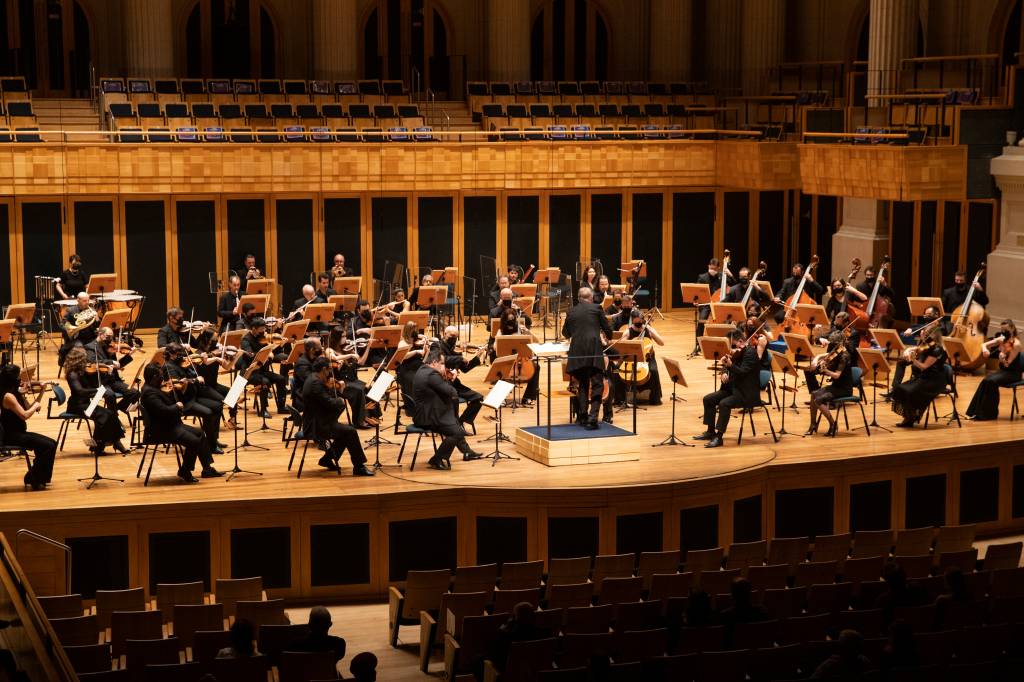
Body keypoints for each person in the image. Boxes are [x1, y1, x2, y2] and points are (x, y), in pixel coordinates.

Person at [138, 364, 221, 482]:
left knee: (200, 433)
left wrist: (171, 393)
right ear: (154, 377)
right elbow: (164, 411)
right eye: (161, 376)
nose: (163, 379)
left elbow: (163, 407)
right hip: (161, 430)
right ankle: (185, 471)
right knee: (194, 442)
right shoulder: (150, 393)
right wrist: (177, 406)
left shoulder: (152, 388)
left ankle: (207, 469)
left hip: (170, 425)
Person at [412, 347, 484, 469]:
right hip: (428, 417)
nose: (444, 366)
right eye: (442, 363)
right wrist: (452, 378)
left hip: (426, 412)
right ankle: (437, 459)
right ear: (434, 363)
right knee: (456, 432)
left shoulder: (422, 369)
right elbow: (452, 392)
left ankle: (467, 452)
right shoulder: (431, 374)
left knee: (454, 423)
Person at [301, 357, 374, 476]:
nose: (330, 373)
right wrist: (340, 396)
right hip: (317, 425)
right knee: (351, 432)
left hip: (318, 419)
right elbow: (329, 403)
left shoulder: (313, 378)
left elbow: (323, 400)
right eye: (329, 369)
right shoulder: (316, 383)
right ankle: (359, 467)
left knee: (345, 432)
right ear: (324, 369)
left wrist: (332, 389)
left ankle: (327, 459)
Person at [695, 328, 767, 448]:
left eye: (732, 345)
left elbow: (743, 372)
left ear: (740, 341)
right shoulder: (737, 353)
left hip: (746, 393)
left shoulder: (750, 353)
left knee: (724, 404)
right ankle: (710, 431)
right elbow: (728, 366)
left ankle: (719, 437)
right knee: (708, 399)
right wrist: (724, 371)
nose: (731, 350)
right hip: (732, 389)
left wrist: (730, 365)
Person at [562, 288, 613, 430]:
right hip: (593, 350)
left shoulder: (571, 311)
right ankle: (592, 418)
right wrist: (608, 336)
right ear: (591, 298)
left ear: (579, 298)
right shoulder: (597, 308)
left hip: (576, 352)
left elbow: (565, 333)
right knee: (597, 384)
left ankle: (583, 415)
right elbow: (607, 329)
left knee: (583, 384)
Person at [0, 364, 56, 490]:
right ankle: (33, 478)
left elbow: (31, 407)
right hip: (12, 435)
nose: (22, 380)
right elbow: (24, 415)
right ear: (13, 379)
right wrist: (35, 406)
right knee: (48, 446)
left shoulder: (15, 392)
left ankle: (37, 477)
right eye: (19, 377)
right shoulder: (8, 396)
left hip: (20, 432)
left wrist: (42, 391)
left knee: (52, 443)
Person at [64, 347, 128, 455]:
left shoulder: (83, 371)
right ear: (79, 360)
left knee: (110, 413)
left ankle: (114, 442)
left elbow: (96, 384)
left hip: (86, 404)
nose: (87, 361)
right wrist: (97, 390)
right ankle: (100, 447)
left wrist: (107, 375)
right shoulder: (72, 374)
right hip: (77, 406)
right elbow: (80, 391)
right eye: (85, 359)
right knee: (103, 416)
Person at [163, 344, 224, 454]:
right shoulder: (168, 367)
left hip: (193, 396)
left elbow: (189, 373)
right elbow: (179, 384)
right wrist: (195, 380)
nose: (182, 357)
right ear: (171, 354)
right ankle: (210, 445)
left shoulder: (181, 362)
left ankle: (213, 439)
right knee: (208, 412)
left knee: (218, 405)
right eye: (178, 354)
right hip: (184, 401)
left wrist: (195, 365)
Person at [890, 326, 948, 428]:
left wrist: (913, 360)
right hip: (924, 377)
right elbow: (917, 349)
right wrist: (909, 351)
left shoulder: (937, 350)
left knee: (909, 391)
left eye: (927, 336)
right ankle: (910, 416)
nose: (925, 338)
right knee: (900, 388)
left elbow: (924, 367)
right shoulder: (928, 346)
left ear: (934, 336)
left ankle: (911, 417)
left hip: (934, 381)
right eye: (924, 335)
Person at [966, 319, 1022, 421]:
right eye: (1002, 330)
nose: (1003, 332)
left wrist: (1002, 358)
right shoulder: (1002, 339)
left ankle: (989, 414)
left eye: (1006, 330)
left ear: (1012, 329)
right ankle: (976, 412)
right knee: (985, 380)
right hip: (1003, 371)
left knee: (990, 381)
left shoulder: (1016, 344)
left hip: (1013, 373)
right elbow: (984, 344)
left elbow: (1008, 364)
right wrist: (985, 350)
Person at [805, 332, 854, 437]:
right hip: (836, 386)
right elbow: (827, 355)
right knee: (814, 393)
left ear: (840, 343)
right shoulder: (837, 351)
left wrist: (825, 370)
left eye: (834, 344)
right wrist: (817, 359)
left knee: (818, 399)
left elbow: (836, 375)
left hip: (844, 388)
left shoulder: (845, 356)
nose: (832, 347)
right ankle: (813, 424)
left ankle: (833, 424)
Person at [83, 326, 141, 414]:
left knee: (135, 392)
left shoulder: (109, 347)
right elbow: (93, 362)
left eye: (111, 337)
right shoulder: (90, 347)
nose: (110, 339)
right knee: (110, 395)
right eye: (108, 336)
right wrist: (111, 362)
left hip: (112, 381)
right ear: (100, 335)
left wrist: (129, 355)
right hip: (100, 382)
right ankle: (113, 419)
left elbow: (117, 365)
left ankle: (117, 409)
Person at [237, 318, 288, 417]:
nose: (264, 330)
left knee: (281, 379)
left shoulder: (261, 336)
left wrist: (280, 346)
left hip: (261, 371)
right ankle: (263, 410)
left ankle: (281, 407)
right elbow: (250, 355)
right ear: (254, 329)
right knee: (265, 382)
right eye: (261, 328)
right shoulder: (246, 340)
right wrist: (266, 354)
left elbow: (271, 352)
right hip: (250, 372)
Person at [437, 326, 485, 427]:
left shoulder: (454, 350)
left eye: (456, 337)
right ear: (444, 334)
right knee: (453, 400)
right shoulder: (438, 346)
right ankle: (452, 425)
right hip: (442, 384)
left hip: (455, 384)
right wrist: (460, 358)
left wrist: (477, 356)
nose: (454, 339)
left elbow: (465, 369)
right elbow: (444, 359)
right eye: (452, 336)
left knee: (478, 398)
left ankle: (460, 421)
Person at [695, 258, 733, 349]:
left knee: (727, 320)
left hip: (719, 302)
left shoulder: (722, 276)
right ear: (708, 266)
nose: (712, 270)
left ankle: (725, 340)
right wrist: (696, 300)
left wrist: (730, 274)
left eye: (714, 269)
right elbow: (697, 291)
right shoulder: (702, 277)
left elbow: (734, 284)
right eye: (711, 268)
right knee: (701, 320)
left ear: (718, 268)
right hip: (707, 303)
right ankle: (698, 343)